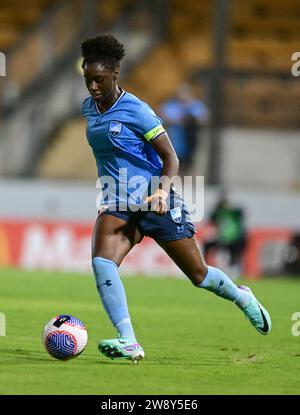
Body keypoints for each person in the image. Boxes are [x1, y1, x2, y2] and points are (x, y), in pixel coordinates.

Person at [81, 34, 271, 364]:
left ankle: (242, 297)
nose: (93, 87)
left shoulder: (137, 111)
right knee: (101, 262)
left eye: (98, 79)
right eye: (87, 80)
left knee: (200, 276)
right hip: (117, 203)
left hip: (156, 201)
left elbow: (171, 158)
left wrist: (161, 191)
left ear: (115, 73)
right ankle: (129, 341)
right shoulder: (88, 109)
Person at [159, 83, 209, 175]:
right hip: (175, 135)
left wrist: (190, 119)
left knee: (190, 158)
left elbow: (203, 118)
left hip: (191, 136)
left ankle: (188, 175)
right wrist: (177, 120)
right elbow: (164, 116)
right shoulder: (171, 105)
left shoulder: (195, 105)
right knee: (175, 156)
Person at [204, 194, 247, 279]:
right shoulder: (218, 212)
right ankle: (204, 268)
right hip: (222, 239)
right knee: (208, 245)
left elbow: (241, 214)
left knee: (234, 254)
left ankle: (234, 271)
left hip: (235, 239)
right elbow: (211, 220)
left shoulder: (234, 212)